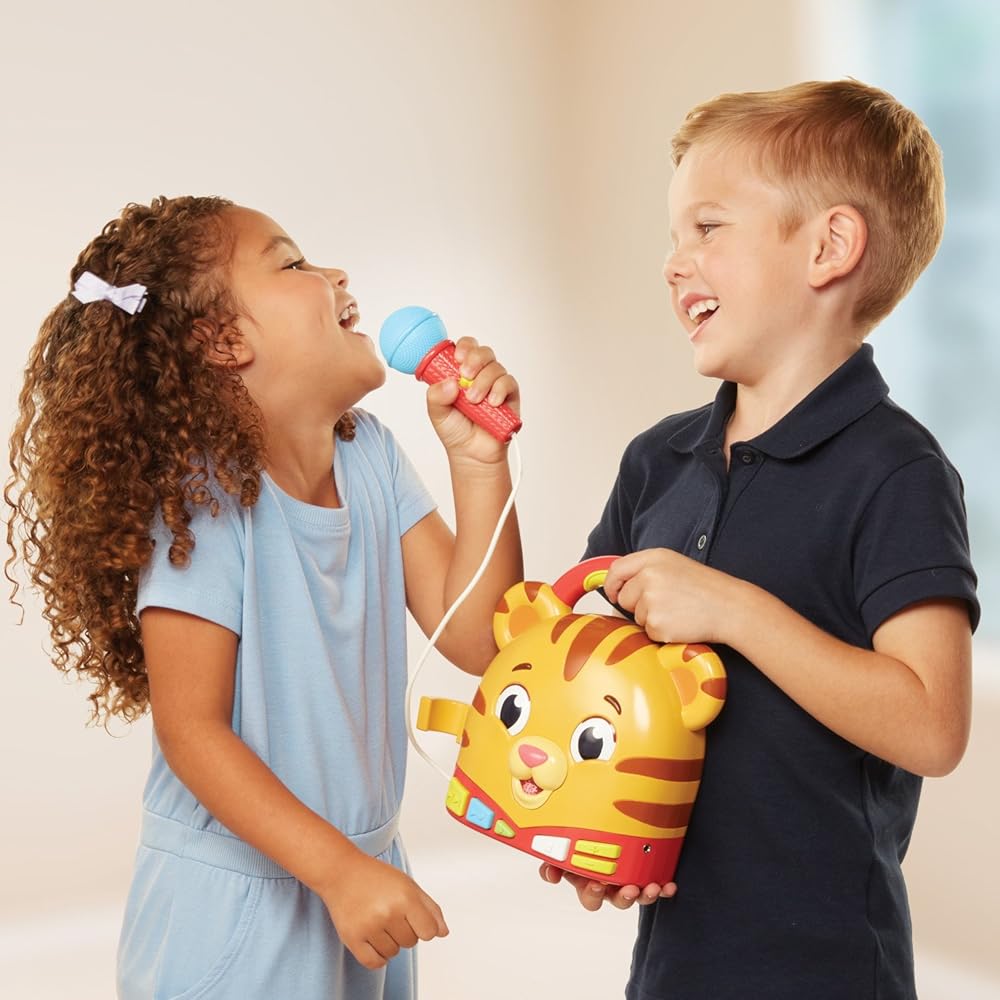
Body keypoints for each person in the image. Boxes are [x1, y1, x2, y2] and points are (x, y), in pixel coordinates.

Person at [6, 195, 523, 999]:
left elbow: (483, 643)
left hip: (360, 877)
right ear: (225, 341)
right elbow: (192, 731)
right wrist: (338, 871)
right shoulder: (202, 501)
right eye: (293, 263)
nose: (336, 274)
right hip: (240, 910)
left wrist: (480, 464)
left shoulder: (372, 457)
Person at [540, 80, 979, 1000]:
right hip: (673, 960)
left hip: (827, 968)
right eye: (674, 236)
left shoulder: (897, 471)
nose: (673, 263)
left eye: (707, 228)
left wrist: (735, 611)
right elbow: (586, 674)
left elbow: (933, 726)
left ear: (829, 247)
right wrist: (597, 823)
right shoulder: (656, 461)